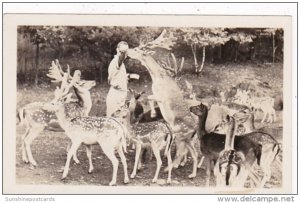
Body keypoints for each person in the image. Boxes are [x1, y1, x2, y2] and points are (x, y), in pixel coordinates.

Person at [106, 41, 139, 116]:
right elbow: (121, 58)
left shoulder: (120, 64)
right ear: (117, 50)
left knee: (121, 121)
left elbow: (118, 77)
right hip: (115, 96)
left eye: (126, 51)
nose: (124, 53)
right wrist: (124, 53)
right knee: (113, 122)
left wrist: (129, 77)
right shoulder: (116, 61)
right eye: (122, 51)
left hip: (121, 95)